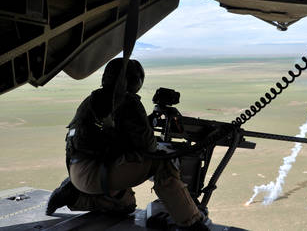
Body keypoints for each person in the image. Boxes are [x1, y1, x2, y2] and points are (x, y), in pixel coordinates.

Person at [46, 58, 209, 230]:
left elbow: (109, 136)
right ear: (134, 80)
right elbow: (149, 147)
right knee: (163, 163)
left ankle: (74, 197)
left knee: (126, 205)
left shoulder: (92, 100)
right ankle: (191, 223)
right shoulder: (127, 101)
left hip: (77, 173)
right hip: (95, 173)